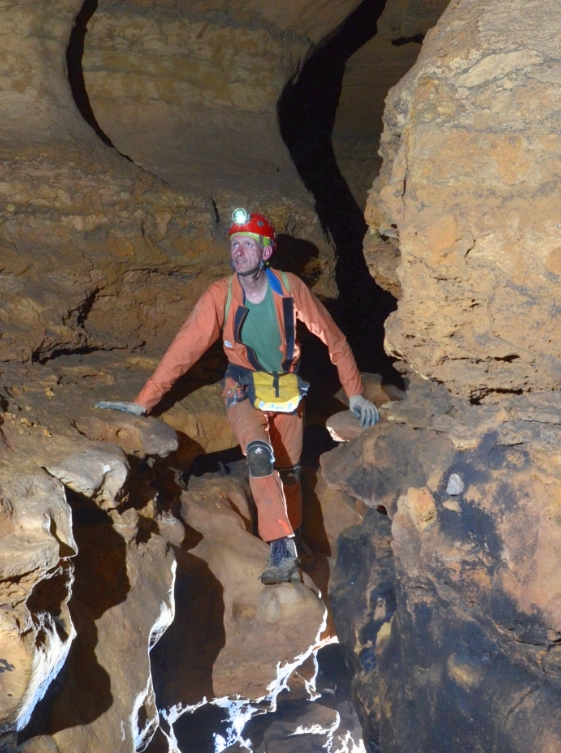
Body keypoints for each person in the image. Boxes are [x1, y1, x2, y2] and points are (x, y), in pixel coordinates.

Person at [97, 208, 380, 584]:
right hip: (242, 389)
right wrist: (142, 402)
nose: (239, 252)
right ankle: (280, 547)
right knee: (260, 457)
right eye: (235, 244)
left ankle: (292, 538)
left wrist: (356, 394)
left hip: (286, 392)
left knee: (290, 474)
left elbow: (335, 340)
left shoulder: (290, 288)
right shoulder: (221, 294)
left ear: (266, 252)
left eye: (248, 244)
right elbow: (184, 349)